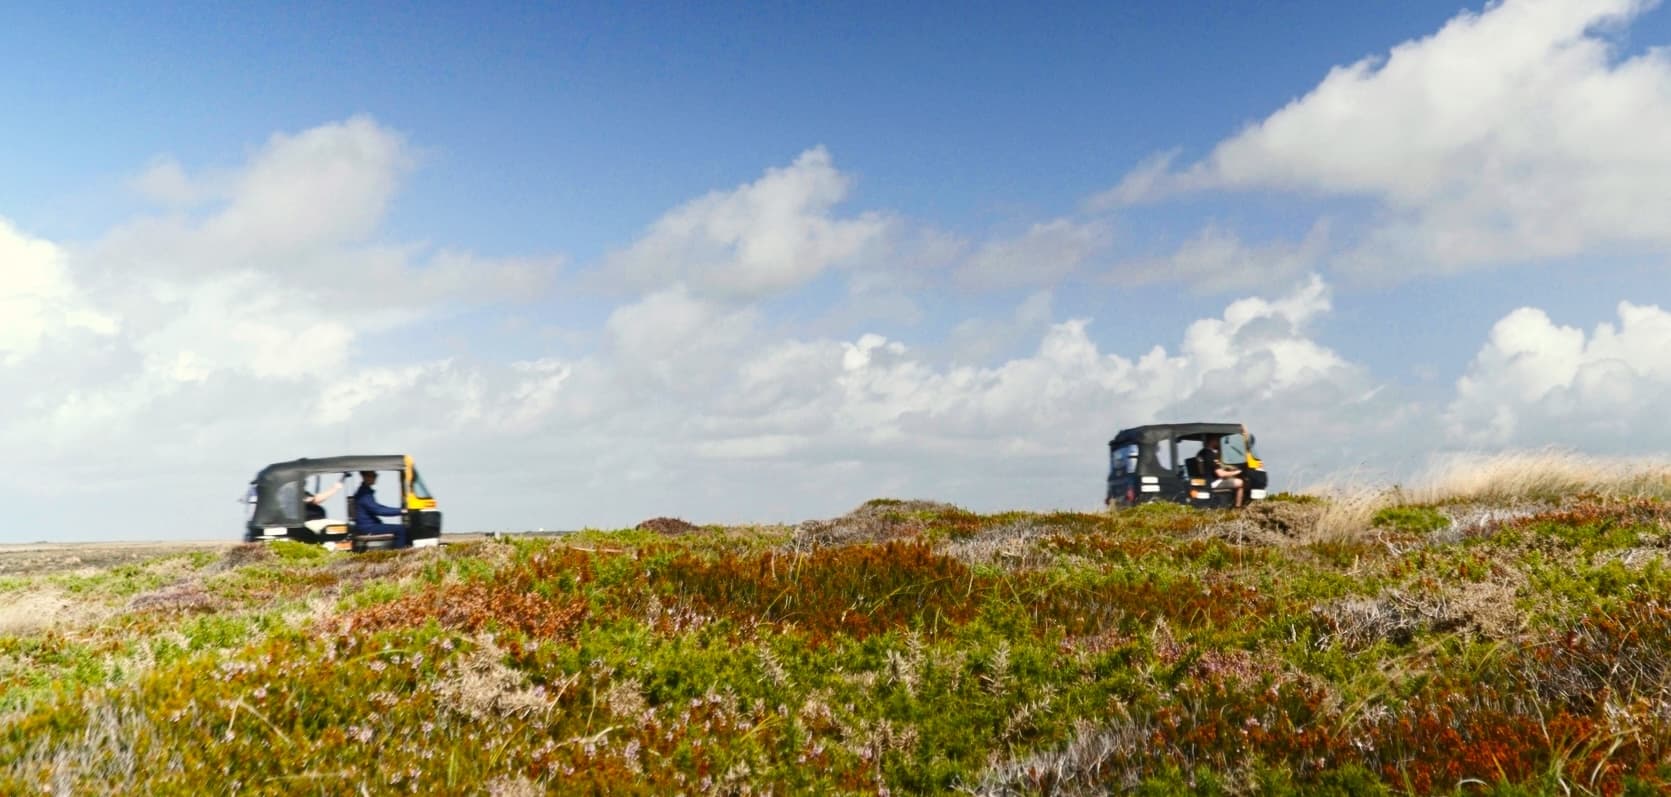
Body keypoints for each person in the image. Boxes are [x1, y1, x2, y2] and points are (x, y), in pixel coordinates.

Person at [352, 470, 409, 547]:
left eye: (376, 475)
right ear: (365, 477)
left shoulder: (365, 492)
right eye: (373, 475)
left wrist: (400, 510)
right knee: (400, 529)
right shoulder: (364, 494)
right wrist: (401, 511)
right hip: (367, 527)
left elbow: (379, 507)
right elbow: (378, 510)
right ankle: (401, 552)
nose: (376, 477)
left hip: (368, 525)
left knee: (400, 528)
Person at [1195, 437, 1246, 508]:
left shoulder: (1201, 452)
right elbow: (1221, 474)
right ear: (1213, 440)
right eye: (1218, 440)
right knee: (1240, 483)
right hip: (1212, 482)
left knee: (1230, 479)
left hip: (1205, 480)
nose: (1220, 442)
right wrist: (1237, 472)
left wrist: (1229, 470)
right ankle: (1238, 507)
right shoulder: (1211, 454)